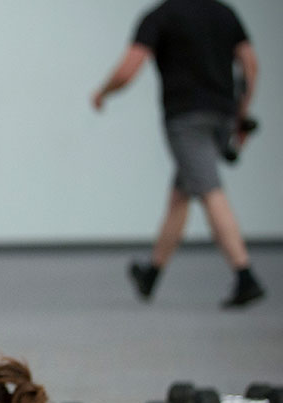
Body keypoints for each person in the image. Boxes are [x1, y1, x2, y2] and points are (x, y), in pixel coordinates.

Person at [91, 0, 263, 308]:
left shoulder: (161, 16)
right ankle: (152, 273)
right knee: (181, 194)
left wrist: (103, 92)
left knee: (210, 191)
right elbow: (250, 63)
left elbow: (131, 67)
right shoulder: (224, 12)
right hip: (223, 113)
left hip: (187, 119)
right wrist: (242, 112)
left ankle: (244, 273)